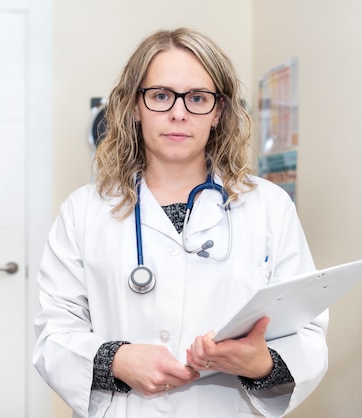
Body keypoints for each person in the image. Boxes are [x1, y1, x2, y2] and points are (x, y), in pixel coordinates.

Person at [33, 28, 328, 418]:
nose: (179, 112)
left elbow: (306, 332)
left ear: (218, 112)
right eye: (160, 96)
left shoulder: (269, 207)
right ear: (135, 108)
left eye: (198, 98)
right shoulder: (84, 211)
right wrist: (117, 360)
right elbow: (54, 334)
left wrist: (260, 364)